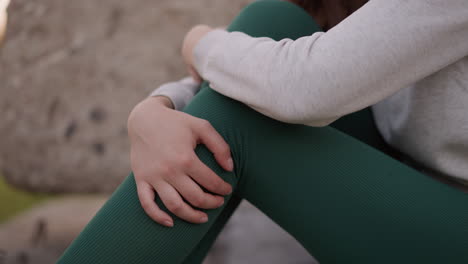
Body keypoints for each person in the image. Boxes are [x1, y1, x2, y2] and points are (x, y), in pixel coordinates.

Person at [58, 0, 468, 263]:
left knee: (239, 124)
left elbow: (303, 87)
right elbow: (265, 74)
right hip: (419, 185)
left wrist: (197, 41)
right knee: (273, 18)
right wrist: (158, 109)